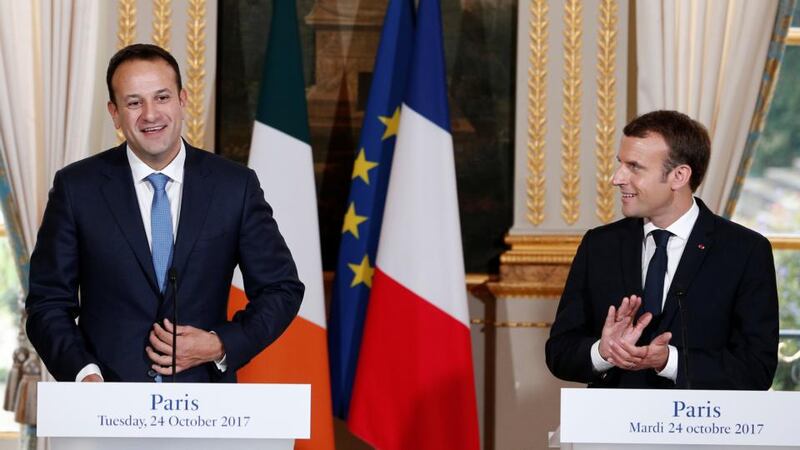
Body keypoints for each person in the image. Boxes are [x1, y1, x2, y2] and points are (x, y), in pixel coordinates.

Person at [25, 43, 304, 383]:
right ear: (114, 112)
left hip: (206, 409)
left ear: (183, 99)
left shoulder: (235, 186)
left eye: (161, 97)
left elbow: (281, 289)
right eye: (133, 102)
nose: (151, 114)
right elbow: (47, 303)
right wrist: (84, 374)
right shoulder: (76, 188)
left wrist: (219, 344)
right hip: (104, 408)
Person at [545, 110, 778, 389]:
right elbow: (559, 354)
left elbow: (756, 369)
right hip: (612, 428)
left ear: (679, 176)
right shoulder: (599, 245)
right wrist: (604, 352)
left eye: (634, 167)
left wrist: (669, 361)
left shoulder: (745, 251)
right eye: (620, 164)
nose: (617, 178)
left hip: (702, 426)